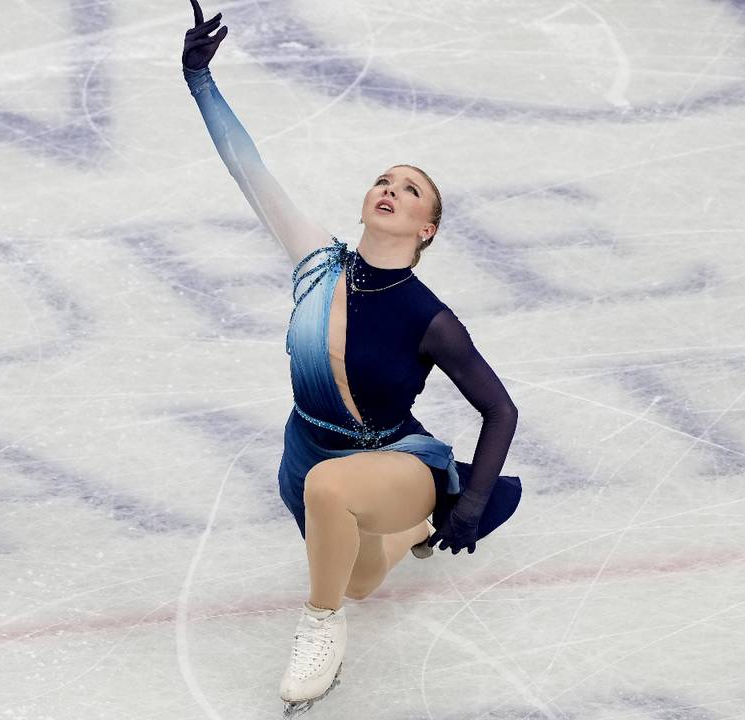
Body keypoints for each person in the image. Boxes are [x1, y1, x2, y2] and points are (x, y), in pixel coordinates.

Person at [181, 2, 523, 715]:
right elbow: (249, 168)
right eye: (384, 181)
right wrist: (200, 80)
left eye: (410, 189)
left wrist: (476, 500)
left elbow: (499, 407)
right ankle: (410, 538)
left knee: (334, 499)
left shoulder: (429, 317)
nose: (391, 190)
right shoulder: (315, 262)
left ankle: (320, 633)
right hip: (304, 450)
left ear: (426, 228)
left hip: (390, 459)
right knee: (359, 576)